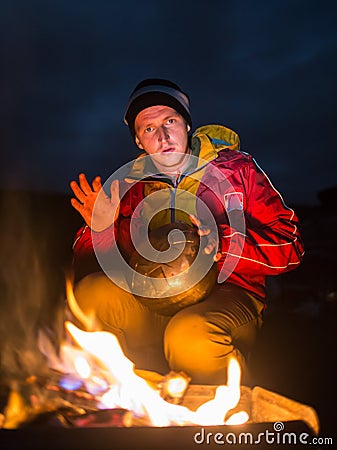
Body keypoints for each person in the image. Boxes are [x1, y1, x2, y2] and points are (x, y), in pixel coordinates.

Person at [69, 79, 304, 385]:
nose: (163, 136)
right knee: (92, 295)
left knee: (191, 335)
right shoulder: (129, 189)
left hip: (229, 293)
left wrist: (224, 242)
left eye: (170, 121)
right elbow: (95, 268)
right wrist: (101, 229)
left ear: (187, 124)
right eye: (149, 128)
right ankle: (114, 407)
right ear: (139, 141)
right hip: (153, 301)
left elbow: (291, 246)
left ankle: (218, 423)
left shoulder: (238, 170)